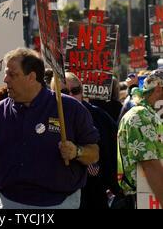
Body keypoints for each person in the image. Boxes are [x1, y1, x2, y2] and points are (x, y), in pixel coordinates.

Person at [0, 47, 100, 209]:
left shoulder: (70, 108)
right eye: (6, 74)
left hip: (60, 203)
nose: (5, 80)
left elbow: (94, 153)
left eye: (12, 74)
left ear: (31, 77)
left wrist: (77, 152)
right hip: (10, 202)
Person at [50, 72, 120, 209]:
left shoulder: (99, 116)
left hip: (94, 193)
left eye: (75, 91)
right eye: (64, 92)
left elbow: (113, 151)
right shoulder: (46, 117)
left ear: (82, 92)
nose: (70, 95)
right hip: (58, 195)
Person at [117, 69, 163, 208]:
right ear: (158, 90)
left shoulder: (149, 114)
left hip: (149, 195)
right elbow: (150, 165)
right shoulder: (140, 116)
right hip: (143, 197)